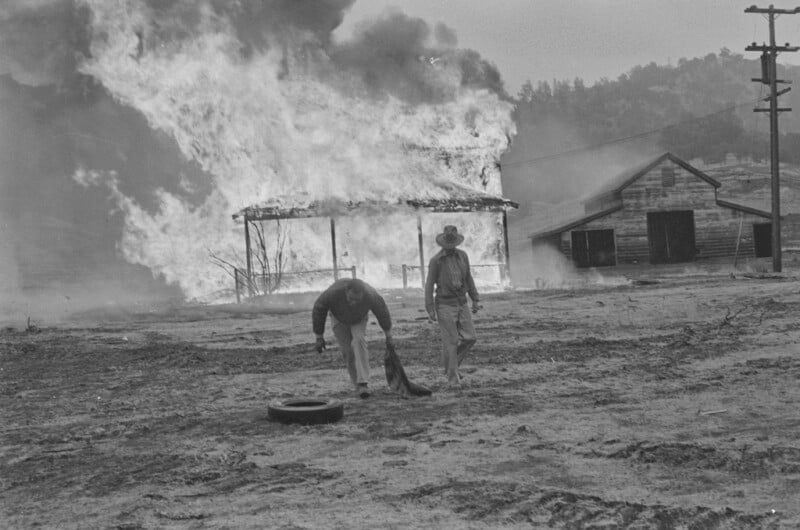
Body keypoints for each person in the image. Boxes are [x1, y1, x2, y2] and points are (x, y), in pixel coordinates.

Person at [312, 278, 393, 398]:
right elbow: (319, 309)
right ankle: (357, 385)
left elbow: (382, 312)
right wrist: (319, 336)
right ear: (346, 291)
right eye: (350, 299)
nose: (353, 303)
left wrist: (388, 335)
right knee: (348, 352)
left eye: (357, 300)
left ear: (363, 295)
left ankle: (363, 383)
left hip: (359, 319)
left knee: (359, 340)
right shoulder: (332, 293)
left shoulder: (371, 295)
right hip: (338, 318)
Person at [425, 225, 481, 387]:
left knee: (470, 337)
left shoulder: (463, 256)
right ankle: (453, 379)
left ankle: (451, 366)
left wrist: (475, 298)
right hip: (444, 304)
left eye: (452, 244)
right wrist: (430, 308)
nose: (450, 247)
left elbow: (468, 277)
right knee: (451, 341)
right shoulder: (436, 261)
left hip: (462, 302)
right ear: (443, 244)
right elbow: (429, 285)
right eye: (447, 244)